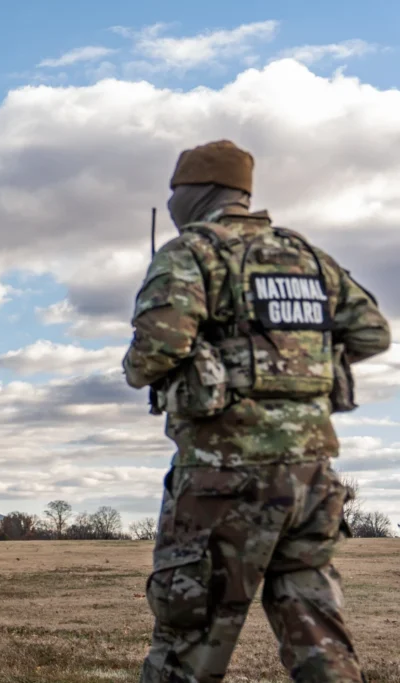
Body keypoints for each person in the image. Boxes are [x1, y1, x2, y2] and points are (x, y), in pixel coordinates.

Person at [123, 139, 391, 683]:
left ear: (194, 194)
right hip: (311, 478)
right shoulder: (305, 256)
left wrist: (207, 360)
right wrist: (292, 357)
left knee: (189, 637)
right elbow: (371, 331)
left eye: (175, 193)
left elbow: (155, 350)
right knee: (316, 630)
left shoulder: (193, 252)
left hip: (224, 476)